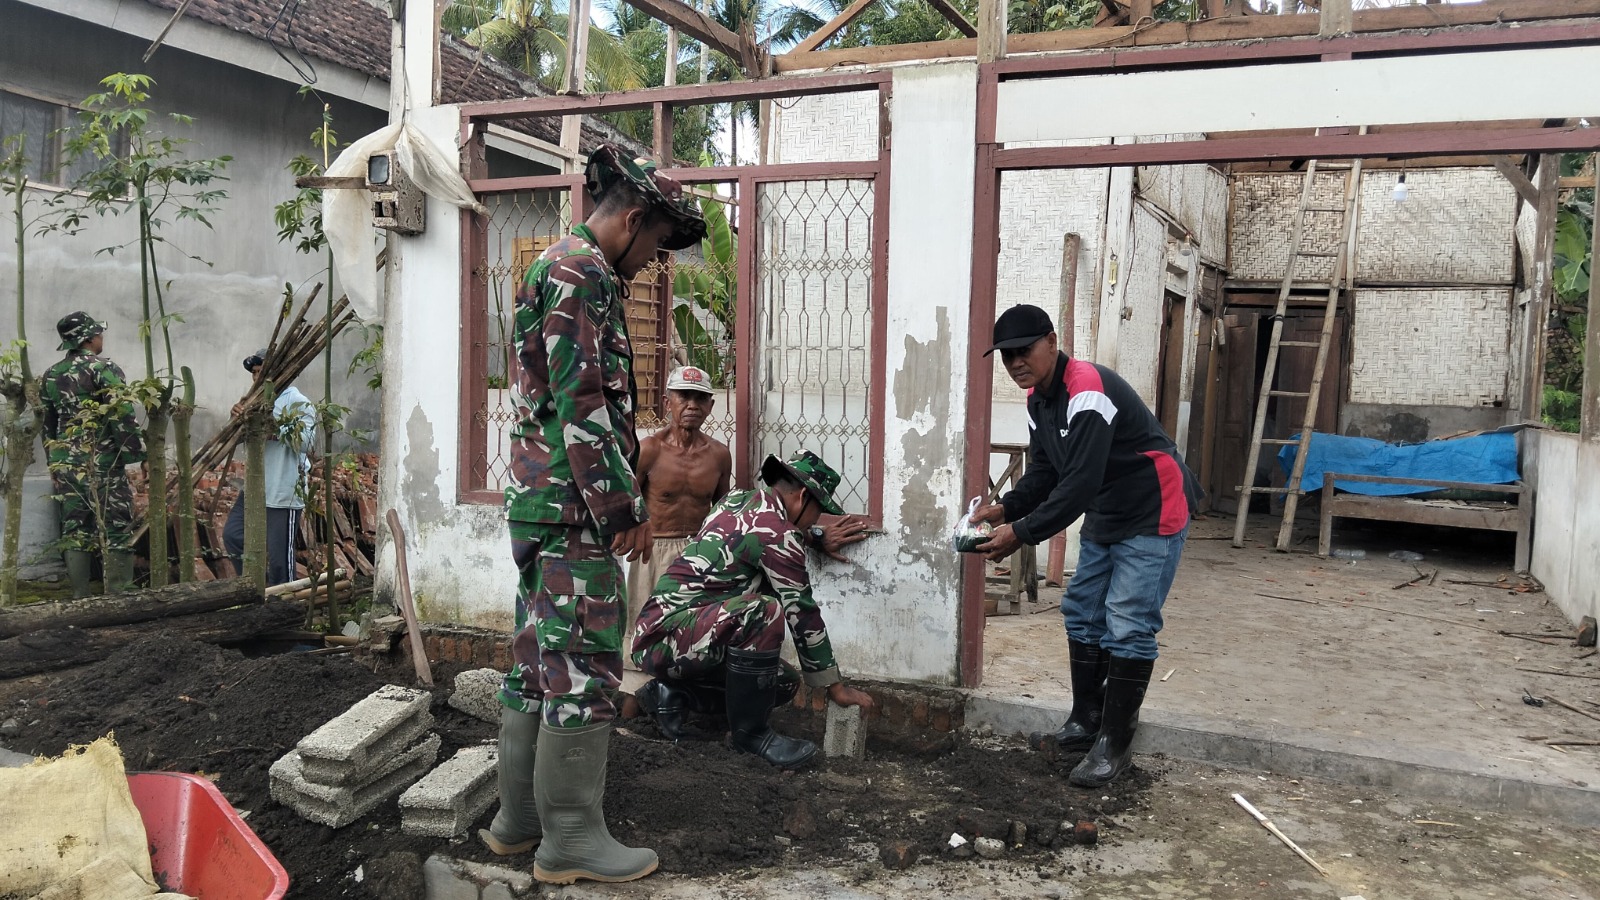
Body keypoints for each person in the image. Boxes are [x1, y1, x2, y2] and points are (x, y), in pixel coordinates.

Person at [483, 144, 705, 886]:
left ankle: (519, 822)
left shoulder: (562, 265)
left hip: (544, 503)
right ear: (635, 219)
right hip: (573, 509)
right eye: (658, 243)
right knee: (582, 666)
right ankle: (571, 839)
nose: (654, 261)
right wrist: (620, 509)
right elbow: (583, 403)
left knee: (539, 662)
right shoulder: (583, 274)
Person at [972, 304, 1196, 789]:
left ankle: (1114, 744)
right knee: (1082, 611)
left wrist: (1021, 533)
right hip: (1108, 509)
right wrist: (1005, 509)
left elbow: (1077, 485)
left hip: (1152, 506)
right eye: (1007, 356)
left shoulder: (1087, 391)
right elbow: (1046, 472)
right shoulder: (1038, 400)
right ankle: (1086, 720)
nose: (1015, 362)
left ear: (1052, 342)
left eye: (1024, 350)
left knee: (1128, 622)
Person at [631, 450, 876, 770]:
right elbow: (802, 613)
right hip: (667, 639)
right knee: (763, 610)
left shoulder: (735, 500)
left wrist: (814, 537)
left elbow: (760, 534)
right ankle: (751, 736)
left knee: (781, 681)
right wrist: (836, 687)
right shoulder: (779, 534)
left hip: (664, 635)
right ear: (804, 497)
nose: (816, 521)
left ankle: (674, 694)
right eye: (818, 513)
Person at [39, 312, 145, 597]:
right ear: (88, 338)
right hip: (104, 463)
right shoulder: (104, 369)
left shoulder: (51, 374)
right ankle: (119, 594)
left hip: (67, 465)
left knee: (75, 528)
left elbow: (47, 424)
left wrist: (54, 464)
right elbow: (122, 414)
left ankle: (80, 597)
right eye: (99, 333)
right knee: (116, 525)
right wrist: (136, 455)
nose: (102, 338)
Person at [223, 349, 315, 587]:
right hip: (255, 487)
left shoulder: (297, 401)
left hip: (283, 491)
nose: (256, 378)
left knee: (279, 562)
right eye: (254, 373)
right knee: (233, 536)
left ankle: (285, 601)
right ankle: (259, 589)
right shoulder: (252, 401)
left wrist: (275, 427)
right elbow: (234, 437)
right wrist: (235, 419)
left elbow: (308, 442)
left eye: (261, 372)